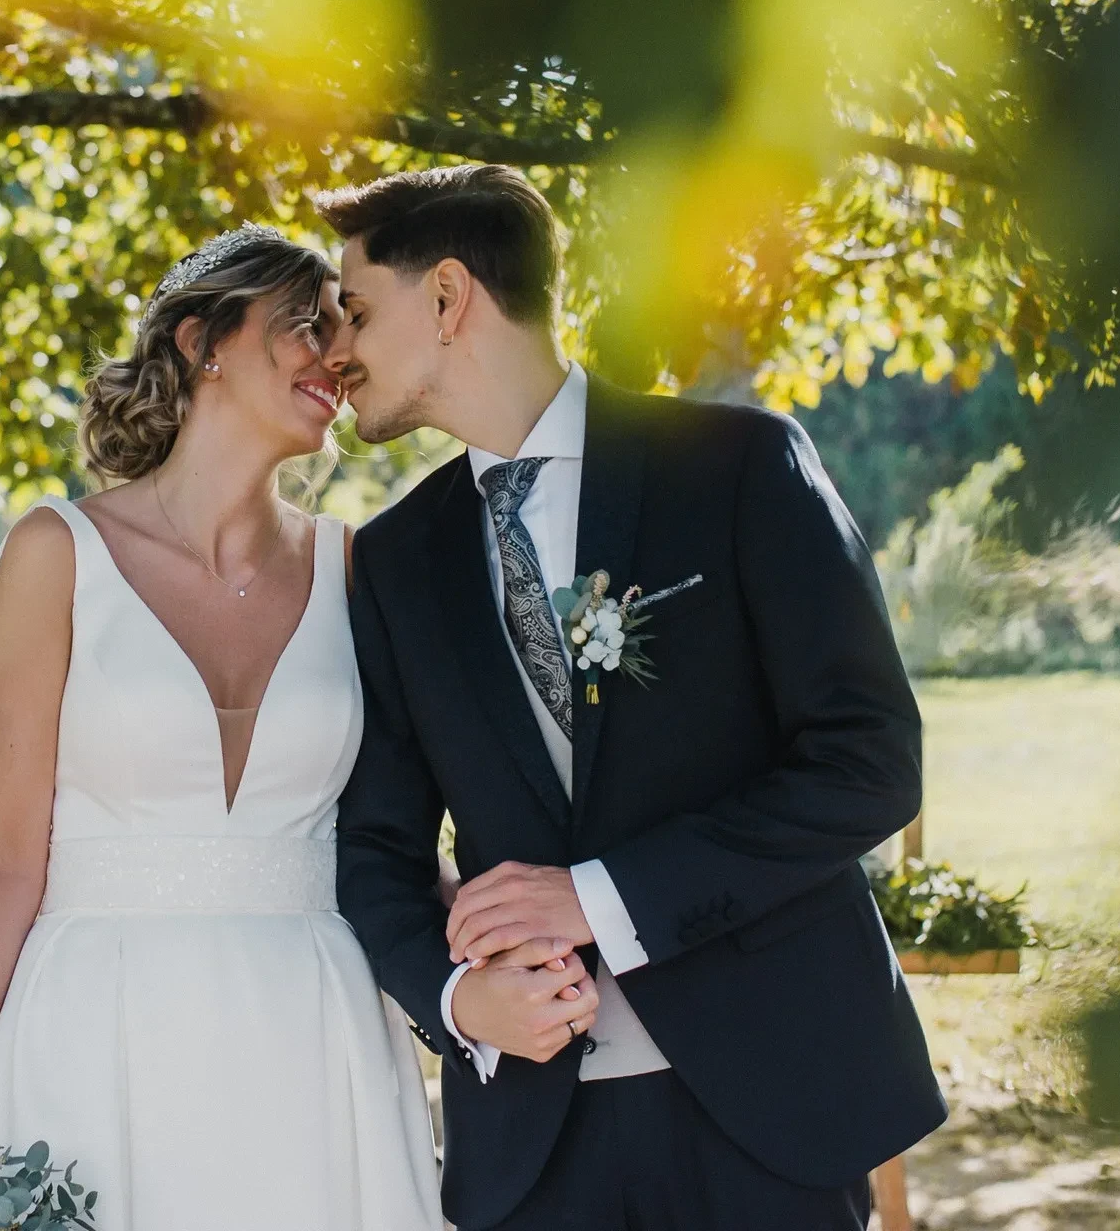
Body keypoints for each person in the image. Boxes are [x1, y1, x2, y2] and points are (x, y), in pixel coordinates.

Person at [0, 225, 442, 1231]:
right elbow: (1, 863)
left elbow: (395, 836)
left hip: (313, 1049)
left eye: (346, 327)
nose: (337, 353)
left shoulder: (355, 568)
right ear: (203, 342)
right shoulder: (56, 553)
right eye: (302, 323)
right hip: (92, 1037)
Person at [323, 165, 945, 1231]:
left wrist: (599, 899)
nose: (335, 351)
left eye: (356, 311)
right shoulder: (391, 562)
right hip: (535, 1140)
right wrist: (459, 1001)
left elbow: (868, 760)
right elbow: (373, 847)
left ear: (446, 297)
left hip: (773, 1103)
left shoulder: (736, 468)